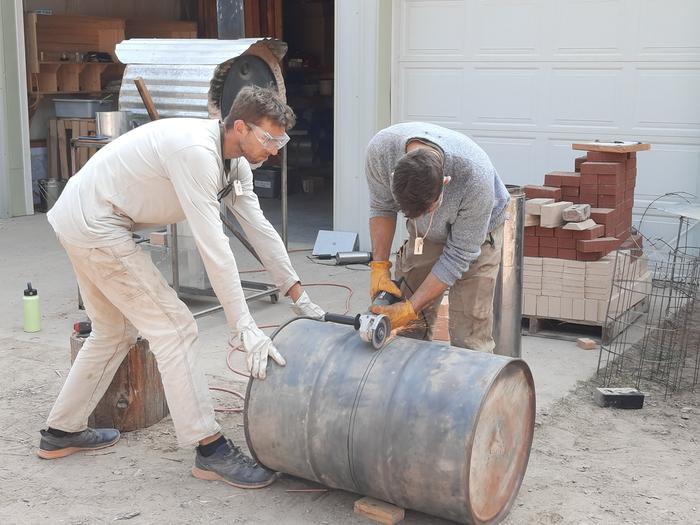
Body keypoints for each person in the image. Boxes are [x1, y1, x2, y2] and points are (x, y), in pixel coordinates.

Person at [38, 86, 324, 489]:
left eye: (282, 141)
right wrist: (244, 327)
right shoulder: (196, 153)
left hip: (86, 217)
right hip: (96, 222)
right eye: (269, 138)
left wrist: (298, 294)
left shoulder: (236, 164)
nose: (275, 149)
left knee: (115, 331)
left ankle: (61, 431)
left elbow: (260, 230)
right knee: (175, 328)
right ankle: (209, 449)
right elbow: (215, 249)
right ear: (240, 126)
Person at [365, 122, 509, 353]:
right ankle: (408, 382)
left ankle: (470, 382)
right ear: (393, 176)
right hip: (426, 235)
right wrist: (379, 267)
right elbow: (382, 208)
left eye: (427, 210)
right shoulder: (381, 152)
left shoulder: (474, 176)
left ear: (445, 182)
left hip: (477, 236)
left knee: (468, 335)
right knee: (408, 329)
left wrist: (411, 308)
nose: (422, 216)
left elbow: (458, 255)